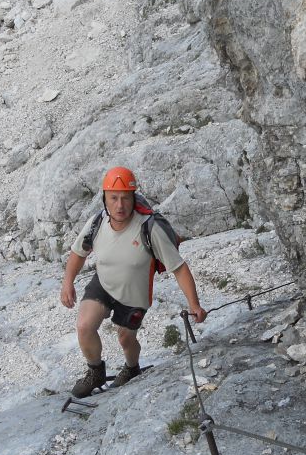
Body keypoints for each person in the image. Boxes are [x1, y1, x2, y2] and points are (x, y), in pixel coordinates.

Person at [60, 166, 207, 398]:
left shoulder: (149, 228)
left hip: (134, 294)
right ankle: (95, 372)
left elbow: (178, 268)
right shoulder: (97, 222)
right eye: (114, 198)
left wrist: (194, 304)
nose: (120, 205)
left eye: (125, 198)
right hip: (103, 283)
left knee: (125, 339)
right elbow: (78, 253)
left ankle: (131, 367)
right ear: (105, 198)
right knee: (84, 327)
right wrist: (67, 282)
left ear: (133, 197)